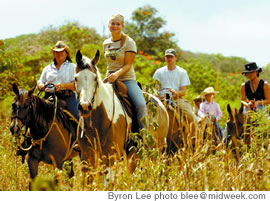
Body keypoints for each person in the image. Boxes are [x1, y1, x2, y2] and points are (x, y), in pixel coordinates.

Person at [103, 14, 146, 130]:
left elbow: (128, 65)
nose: (115, 26)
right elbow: (109, 64)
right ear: (108, 25)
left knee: (141, 105)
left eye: (118, 24)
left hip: (127, 79)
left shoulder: (129, 42)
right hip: (109, 78)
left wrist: (116, 75)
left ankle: (145, 138)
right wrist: (108, 77)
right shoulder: (106, 43)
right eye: (112, 23)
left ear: (123, 26)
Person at [37, 41, 79, 120]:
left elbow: (77, 85)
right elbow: (40, 82)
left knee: (77, 117)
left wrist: (63, 85)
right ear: (54, 54)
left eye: (61, 51)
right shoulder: (47, 68)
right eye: (56, 52)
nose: (59, 54)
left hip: (67, 97)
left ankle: (83, 132)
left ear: (66, 54)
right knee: (33, 114)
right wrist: (41, 86)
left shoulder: (73, 67)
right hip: (48, 96)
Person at [153, 48, 196, 123]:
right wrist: (158, 95)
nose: (169, 59)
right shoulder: (159, 72)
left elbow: (183, 91)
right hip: (161, 100)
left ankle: (190, 133)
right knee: (147, 114)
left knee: (191, 117)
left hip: (177, 100)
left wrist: (176, 93)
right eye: (167, 57)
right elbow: (156, 89)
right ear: (165, 58)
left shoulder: (182, 72)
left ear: (176, 58)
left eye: (171, 57)